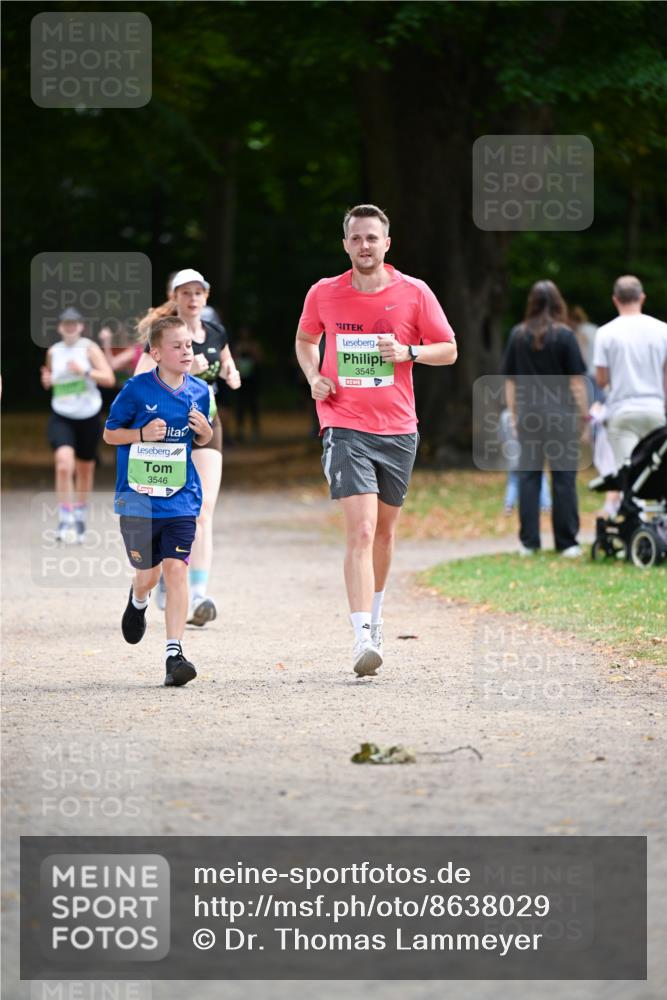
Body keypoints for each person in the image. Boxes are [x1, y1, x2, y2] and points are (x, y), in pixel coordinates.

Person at [295, 204, 457, 677]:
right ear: (345, 244)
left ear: (387, 243)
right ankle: (362, 634)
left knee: (385, 532)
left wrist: (408, 351)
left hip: (398, 427)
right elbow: (306, 341)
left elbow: (449, 349)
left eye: (372, 238)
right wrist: (313, 377)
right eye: (356, 238)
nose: (364, 246)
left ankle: (377, 616)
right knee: (362, 530)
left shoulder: (415, 293)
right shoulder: (324, 293)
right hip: (344, 423)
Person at [103, 315, 213, 686]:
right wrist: (141, 433)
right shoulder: (135, 390)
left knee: (176, 568)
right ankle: (138, 599)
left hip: (181, 497)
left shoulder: (200, 391)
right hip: (137, 499)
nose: (186, 351)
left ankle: (174, 653)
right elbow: (109, 434)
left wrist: (206, 433)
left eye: (189, 345)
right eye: (177, 346)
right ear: (155, 353)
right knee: (147, 575)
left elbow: (201, 438)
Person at [134, 269, 241, 626]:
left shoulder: (216, 333)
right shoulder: (162, 334)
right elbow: (138, 380)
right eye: (185, 293)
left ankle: (198, 595)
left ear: (206, 297)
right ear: (174, 296)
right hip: (167, 431)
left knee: (203, 509)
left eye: (198, 292)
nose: (193, 299)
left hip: (206, 424)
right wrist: (184, 372)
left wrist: (231, 374)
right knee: (169, 511)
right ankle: (166, 575)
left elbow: (228, 366)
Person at [502, 280, 589, 558]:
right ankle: (567, 543)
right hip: (561, 416)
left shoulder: (518, 335)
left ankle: (529, 542)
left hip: (528, 416)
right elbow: (576, 382)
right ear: (559, 303)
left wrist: (514, 416)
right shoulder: (565, 336)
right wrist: (584, 415)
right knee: (564, 478)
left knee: (529, 477)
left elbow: (511, 382)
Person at [40, 307, 115, 542]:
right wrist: (47, 380)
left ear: (81, 326)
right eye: (66, 323)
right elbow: (50, 379)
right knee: (63, 464)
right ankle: (65, 517)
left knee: (85, 468)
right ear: (60, 327)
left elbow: (109, 378)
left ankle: (80, 513)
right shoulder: (54, 351)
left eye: (74, 323)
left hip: (88, 416)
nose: (70, 327)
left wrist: (85, 371)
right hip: (61, 415)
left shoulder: (89, 348)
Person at [593, 275, 667, 474]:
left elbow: (601, 380)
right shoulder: (663, 330)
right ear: (642, 297)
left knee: (627, 474)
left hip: (622, 411)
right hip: (655, 410)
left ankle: (631, 504)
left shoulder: (605, 333)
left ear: (615, 299)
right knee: (655, 474)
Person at [234, 325, 264, 441]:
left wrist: (252, 351)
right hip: (241, 380)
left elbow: (259, 359)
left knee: (253, 405)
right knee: (240, 405)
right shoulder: (238, 346)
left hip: (253, 379)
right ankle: (240, 430)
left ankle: (255, 429)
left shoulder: (254, 345)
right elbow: (233, 359)